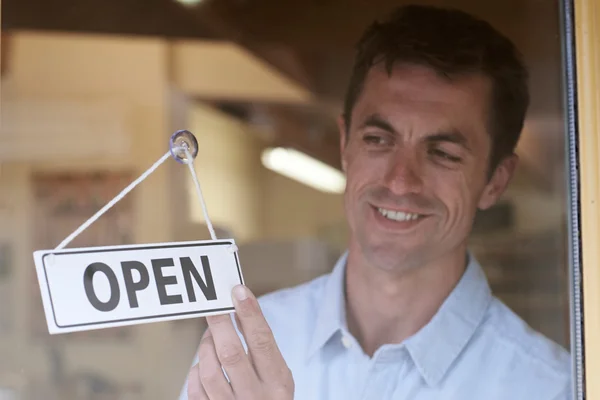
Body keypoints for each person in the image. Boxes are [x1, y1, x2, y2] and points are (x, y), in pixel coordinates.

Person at [180, 4, 571, 400]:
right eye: (378, 140)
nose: (400, 182)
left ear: (495, 181)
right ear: (345, 145)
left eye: (443, 153)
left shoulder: (551, 387)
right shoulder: (237, 352)